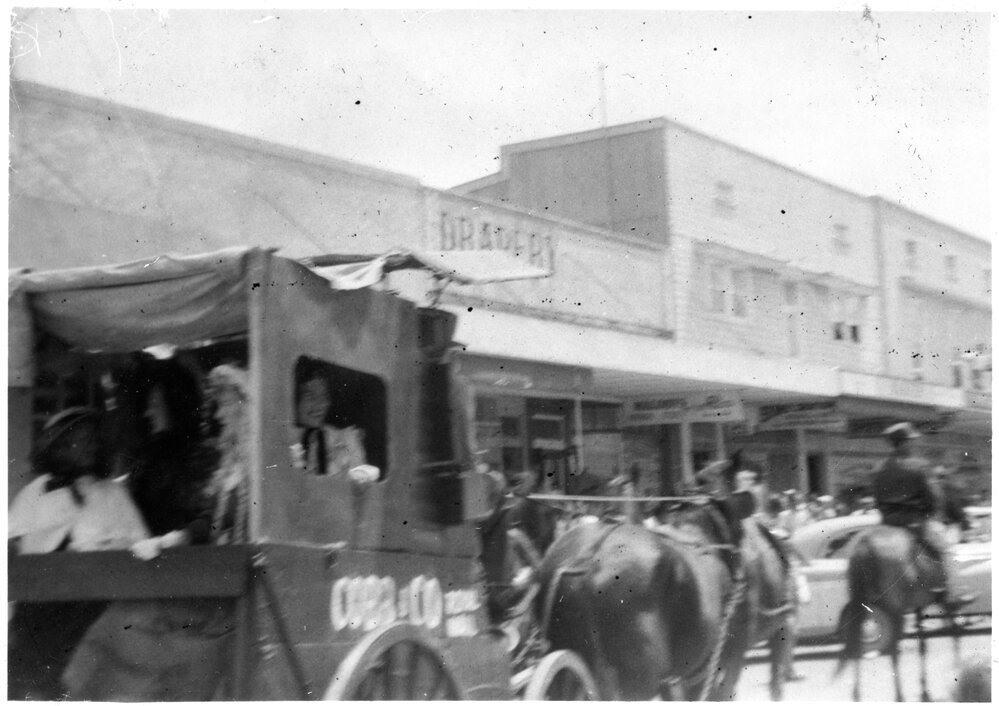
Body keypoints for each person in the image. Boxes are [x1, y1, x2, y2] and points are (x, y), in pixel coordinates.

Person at [63, 363, 250, 700]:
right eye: (216, 404)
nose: (218, 413)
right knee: (127, 614)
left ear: (245, 406)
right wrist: (174, 538)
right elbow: (209, 523)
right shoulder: (229, 464)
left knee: (138, 616)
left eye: (224, 404)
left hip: (240, 589)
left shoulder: (261, 463)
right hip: (217, 582)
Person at [8, 407, 149, 700]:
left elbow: (139, 547)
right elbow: (15, 551)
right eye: (78, 440)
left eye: (92, 439)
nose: (90, 445)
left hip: (97, 613)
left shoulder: (113, 494)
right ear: (57, 446)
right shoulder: (34, 493)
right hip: (40, 612)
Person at [870, 421, 975, 612]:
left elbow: (876, 499)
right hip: (914, 523)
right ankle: (954, 593)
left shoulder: (878, 469)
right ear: (904, 443)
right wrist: (930, 514)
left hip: (886, 524)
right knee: (946, 550)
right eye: (911, 440)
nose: (914, 444)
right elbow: (934, 498)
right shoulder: (919, 466)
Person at [291, 361, 377, 482]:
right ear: (295, 399)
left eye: (324, 396)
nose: (320, 405)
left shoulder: (344, 438)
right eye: (310, 396)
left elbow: (365, 481)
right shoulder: (286, 441)